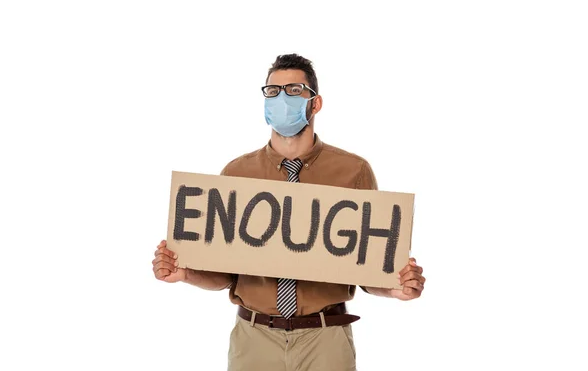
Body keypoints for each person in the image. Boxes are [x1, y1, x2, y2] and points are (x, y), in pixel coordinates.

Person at [152, 54, 426, 370]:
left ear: (316, 103)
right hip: (253, 338)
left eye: (294, 91)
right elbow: (225, 273)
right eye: (273, 92)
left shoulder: (353, 171)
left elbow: (366, 264)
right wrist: (185, 272)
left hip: (325, 338)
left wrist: (394, 286)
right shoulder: (237, 174)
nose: (281, 99)